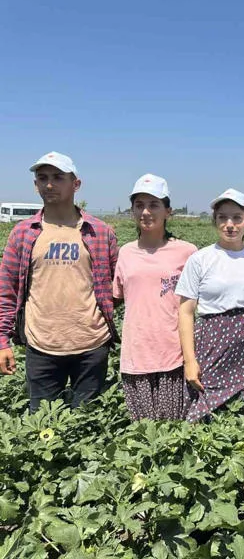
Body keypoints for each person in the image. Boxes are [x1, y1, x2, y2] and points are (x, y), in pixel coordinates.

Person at [0, 151, 119, 412]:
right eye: (42, 178)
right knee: (41, 424)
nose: (49, 184)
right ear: (35, 185)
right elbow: (6, 292)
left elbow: (116, 286)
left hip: (91, 345)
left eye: (58, 177)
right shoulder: (23, 233)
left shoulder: (100, 231)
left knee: (87, 424)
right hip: (42, 346)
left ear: (75, 184)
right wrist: (2, 341)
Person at [175, 189, 244, 422]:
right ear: (215, 221)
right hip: (211, 343)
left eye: (237, 218)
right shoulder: (201, 259)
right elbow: (186, 312)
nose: (230, 225)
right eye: (223, 218)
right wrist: (190, 360)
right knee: (203, 407)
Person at [113, 174, 197, 420]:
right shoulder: (125, 252)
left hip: (174, 355)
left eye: (154, 205)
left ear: (168, 211)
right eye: (139, 205)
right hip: (136, 355)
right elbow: (115, 296)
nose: (146, 212)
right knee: (143, 434)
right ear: (132, 211)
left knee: (174, 433)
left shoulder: (187, 251)